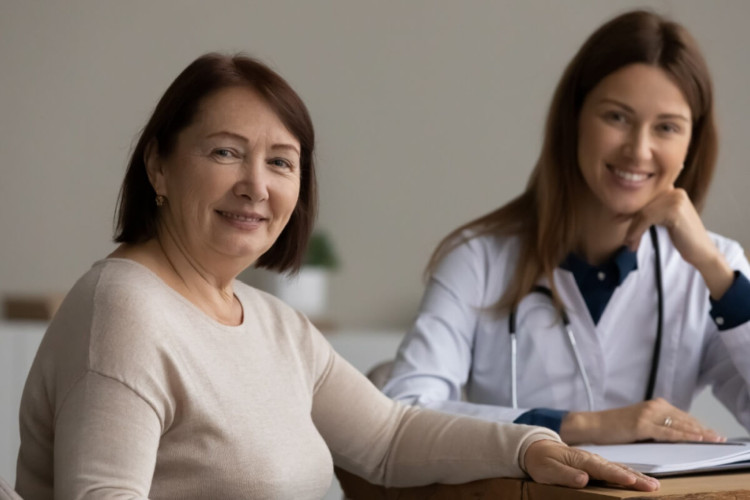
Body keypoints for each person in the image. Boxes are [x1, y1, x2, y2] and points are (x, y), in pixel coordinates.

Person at [14, 53, 658, 499]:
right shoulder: (125, 308)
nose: (255, 186)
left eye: (282, 162)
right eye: (225, 152)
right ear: (158, 167)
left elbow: (388, 437)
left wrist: (528, 448)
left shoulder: (272, 323)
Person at [383, 9, 750, 447]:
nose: (639, 150)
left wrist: (715, 271)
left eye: (667, 127)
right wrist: (584, 426)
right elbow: (405, 413)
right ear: (573, 119)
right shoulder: (479, 258)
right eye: (617, 117)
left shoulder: (716, 271)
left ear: (692, 143)